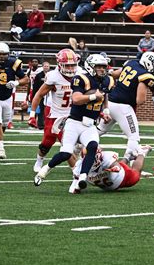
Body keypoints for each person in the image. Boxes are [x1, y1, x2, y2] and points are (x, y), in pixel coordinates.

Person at [34, 54, 113, 190]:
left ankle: (82, 177)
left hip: (90, 124)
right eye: (98, 66)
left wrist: (105, 112)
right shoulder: (80, 78)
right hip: (74, 122)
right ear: (90, 66)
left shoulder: (107, 80)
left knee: (92, 146)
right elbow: (76, 99)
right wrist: (94, 96)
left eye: (103, 67)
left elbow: (104, 95)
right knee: (66, 153)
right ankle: (45, 169)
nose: (102, 69)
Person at [97, 52, 154, 161]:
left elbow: (114, 74)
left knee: (100, 130)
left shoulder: (132, 63)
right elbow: (139, 100)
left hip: (110, 102)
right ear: (150, 63)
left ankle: (79, 146)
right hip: (123, 107)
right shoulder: (146, 76)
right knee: (133, 137)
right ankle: (126, 162)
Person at [29, 50, 79, 172]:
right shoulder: (53, 76)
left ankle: (77, 172)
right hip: (56, 115)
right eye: (67, 65)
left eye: (72, 65)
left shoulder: (81, 73)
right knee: (47, 143)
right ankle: (39, 160)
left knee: (70, 145)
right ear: (59, 64)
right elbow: (39, 94)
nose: (70, 68)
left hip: (74, 115)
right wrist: (32, 115)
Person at [70, 145, 152, 193]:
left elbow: (117, 166)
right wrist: (77, 188)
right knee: (118, 165)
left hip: (124, 177)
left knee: (136, 173)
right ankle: (128, 156)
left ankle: (142, 152)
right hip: (110, 184)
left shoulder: (105, 157)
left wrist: (115, 168)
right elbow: (75, 185)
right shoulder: (80, 166)